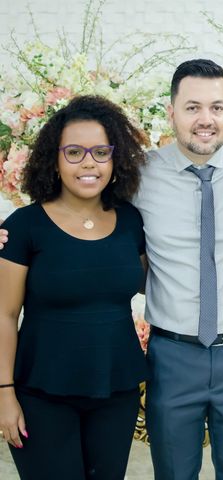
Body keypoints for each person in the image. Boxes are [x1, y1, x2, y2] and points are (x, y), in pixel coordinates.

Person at [0, 95, 148, 479]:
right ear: (54, 158)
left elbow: (159, 283)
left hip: (116, 391)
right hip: (41, 393)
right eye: (75, 152)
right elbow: (4, 314)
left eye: (101, 152)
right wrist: (3, 394)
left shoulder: (132, 221)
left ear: (116, 158)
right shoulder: (23, 227)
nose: (88, 163)